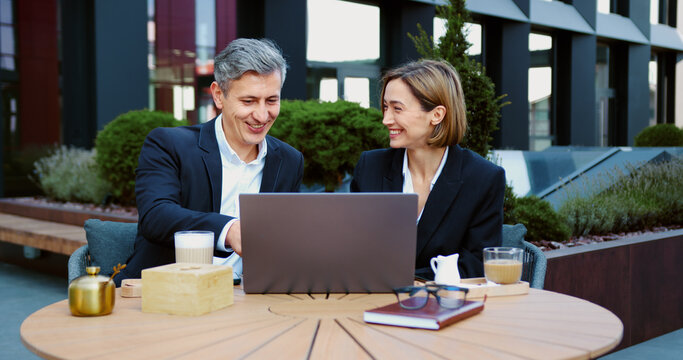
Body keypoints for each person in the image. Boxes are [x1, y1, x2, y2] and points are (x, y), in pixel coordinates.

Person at [115, 38, 304, 285]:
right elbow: (156, 216)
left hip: (252, 299)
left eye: (271, 100)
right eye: (248, 101)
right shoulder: (168, 144)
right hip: (166, 297)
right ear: (218, 95)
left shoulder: (289, 160)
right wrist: (229, 230)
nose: (261, 115)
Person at [350, 59, 505, 280]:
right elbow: (353, 249)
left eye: (397, 108)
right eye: (385, 107)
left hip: (448, 306)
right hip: (373, 302)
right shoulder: (370, 167)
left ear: (437, 115)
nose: (386, 119)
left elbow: (476, 266)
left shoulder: (483, 178)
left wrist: (409, 281)